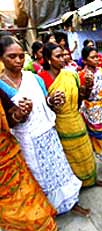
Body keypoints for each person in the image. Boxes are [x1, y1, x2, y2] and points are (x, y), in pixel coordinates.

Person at [0, 36, 90, 217]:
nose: (18, 61)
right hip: (27, 140)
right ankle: (48, 211)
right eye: (12, 57)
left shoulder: (33, 78)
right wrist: (19, 115)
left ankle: (71, 203)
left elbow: (46, 102)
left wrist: (52, 100)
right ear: (1, 58)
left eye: (20, 56)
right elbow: (5, 122)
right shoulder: (1, 86)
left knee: (61, 170)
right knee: (40, 177)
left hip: (48, 133)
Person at [0, 89, 74, 231]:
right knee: (7, 210)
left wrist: (20, 114)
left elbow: (12, 116)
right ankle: (22, 229)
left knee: (28, 197)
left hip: (8, 159)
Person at [38, 42, 102, 188]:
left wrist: (88, 87)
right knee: (70, 155)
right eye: (58, 56)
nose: (64, 58)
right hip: (59, 124)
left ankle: (92, 178)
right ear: (48, 59)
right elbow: (41, 106)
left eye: (64, 55)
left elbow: (81, 98)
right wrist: (50, 102)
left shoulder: (71, 74)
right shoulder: (41, 79)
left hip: (76, 119)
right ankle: (77, 184)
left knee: (86, 151)